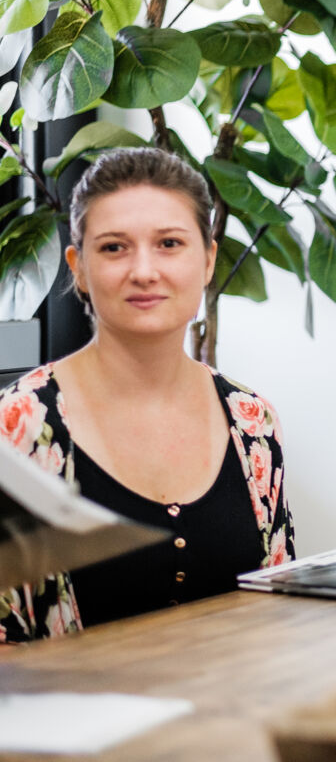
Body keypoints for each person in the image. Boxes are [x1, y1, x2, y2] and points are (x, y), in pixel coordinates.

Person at [0, 148, 293, 643]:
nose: (143, 271)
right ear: (78, 267)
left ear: (208, 260)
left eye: (169, 244)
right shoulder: (21, 423)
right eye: (114, 248)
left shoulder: (252, 421)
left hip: (234, 711)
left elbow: (278, 603)